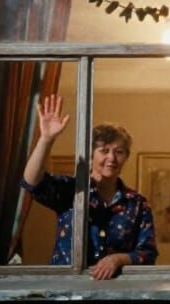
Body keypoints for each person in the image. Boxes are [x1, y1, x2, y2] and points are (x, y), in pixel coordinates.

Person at [20, 93, 158, 279]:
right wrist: (46, 139)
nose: (111, 158)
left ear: (126, 157)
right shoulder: (72, 190)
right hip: (65, 288)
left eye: (119, 152)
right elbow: (31, 182)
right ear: (91, 155)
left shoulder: (137, 203)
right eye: (104, 151)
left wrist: (118, 259)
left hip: (116, 292)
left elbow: (148, 253)